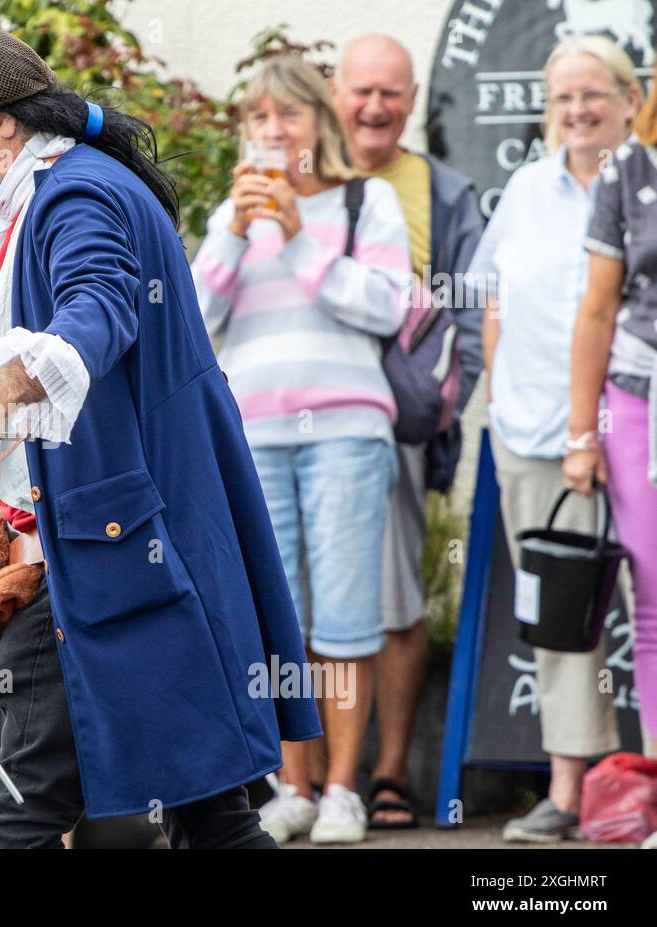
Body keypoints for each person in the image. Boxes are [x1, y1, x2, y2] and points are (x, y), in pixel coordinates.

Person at [0, 25, 321, 850]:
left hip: (113, 555)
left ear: (0, 123)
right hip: (130, 544)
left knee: (19, 807)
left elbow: (98, 312)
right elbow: (81, 382)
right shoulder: (63, 189)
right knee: (212, 814)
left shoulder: (75, 193)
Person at [193, 55, 413, 844]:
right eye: (258, 119)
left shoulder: (367, 200)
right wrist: (235, 228)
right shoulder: (232, 215)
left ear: (321, 122)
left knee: (347, 617)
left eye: (288, 115)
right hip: (254, 438)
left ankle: (346, 790)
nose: (273, 132)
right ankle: (293, 785)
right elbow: (192, 316)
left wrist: (297, 240)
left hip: (348, 434)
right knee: (275, 621)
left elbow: (388, 307)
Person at [472, 36, 640, 843]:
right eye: (563, 96)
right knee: (563, 612)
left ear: (631, 99)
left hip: (635, 430)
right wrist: (502, 391)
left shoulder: (645, 182)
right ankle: (572, 792)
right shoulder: (529, 187)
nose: (577, 109)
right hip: (535, 431)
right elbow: (493, 298)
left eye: (594, 93)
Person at [330, 34, 487, 830]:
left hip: (393, 422)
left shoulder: (444, 190)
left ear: (414, 98)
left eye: (392, 93)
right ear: (335, 94)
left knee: (395, 597)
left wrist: (442, 403)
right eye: (362, 91)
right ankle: (319, 781)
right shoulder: (299, 177)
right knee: (302, 600)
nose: (376, 107)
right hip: (300, 417)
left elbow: (472, 312)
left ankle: (388, 770)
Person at [565, 72, 657, 768]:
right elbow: (596, 309)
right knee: (652, 604)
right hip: (637, 398)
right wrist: (581, 433)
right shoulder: (631, 165)